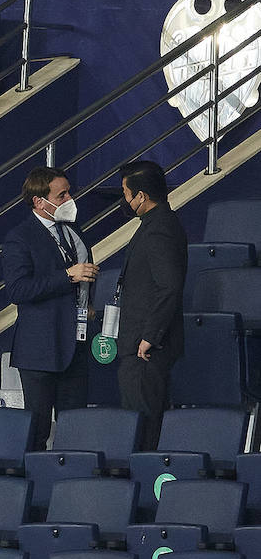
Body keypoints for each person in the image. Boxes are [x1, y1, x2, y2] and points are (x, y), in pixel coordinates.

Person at [2, 168, 99, 450]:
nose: (70, 198)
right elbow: (18, 290)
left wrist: (86, 302)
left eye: (69, 191)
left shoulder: (73, 230)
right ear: (39, 202)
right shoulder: (20, 237)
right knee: (37, 430)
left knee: (75, 430)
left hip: (75, 344)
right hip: (40, 349)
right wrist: (68, 276)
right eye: (62, 194)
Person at [115, 160, 187, 451]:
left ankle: (143, 492)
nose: (124, 199)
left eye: (125, 192)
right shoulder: (156, 223)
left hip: (146, 348)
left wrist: (149, 336)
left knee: (142, 428)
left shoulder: (160, 228)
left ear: (141, 196)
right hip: (141, 343)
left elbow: (168, 285)